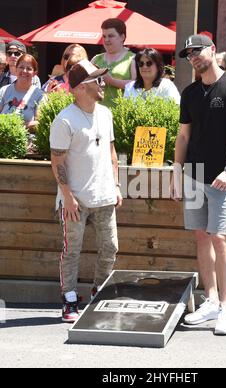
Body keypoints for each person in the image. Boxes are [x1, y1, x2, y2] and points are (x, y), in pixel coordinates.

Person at [171, 34, 226, 335]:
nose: (192, 57)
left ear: (212, 50)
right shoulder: (190, 93)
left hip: (223, 178)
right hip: (193, 175)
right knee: (201, 238)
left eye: (197, 51)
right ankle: (211, 300)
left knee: (221, 238)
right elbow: (183, 136)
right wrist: (177, 174)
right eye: (188, 54)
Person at [50, 59, 123, 323]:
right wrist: (67, 197)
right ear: (81, 87)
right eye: (97, 79)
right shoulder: (64, 120)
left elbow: (112, 152)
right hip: (76, 200)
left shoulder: (105, 113)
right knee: (72, 250)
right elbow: (56, 161)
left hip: (104, 195)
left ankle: (99, 292)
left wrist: (115, 185)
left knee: (110, 247)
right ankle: (69, 299)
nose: (103, 83)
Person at [91, 18, 136, 108]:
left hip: (122, 115)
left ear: (122, 37)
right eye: (104, 36)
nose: (106, 40)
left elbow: (137, 86)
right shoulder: (96, 59)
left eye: (111, 36)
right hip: (96, 113)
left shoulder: (132, 58)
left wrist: (112, 81)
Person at [0, 53, 44, 132]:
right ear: (16, 69)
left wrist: (17, 127)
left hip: (27, 141)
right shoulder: (4, 90)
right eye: (21, 67)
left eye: (29, 69)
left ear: (35, 73)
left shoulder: (40, 95)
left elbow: (39, 123)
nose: (24, 71)